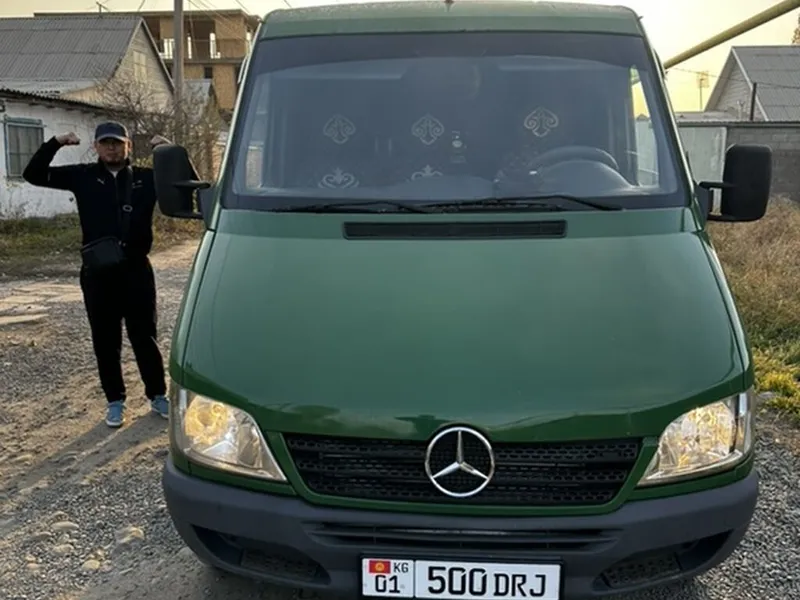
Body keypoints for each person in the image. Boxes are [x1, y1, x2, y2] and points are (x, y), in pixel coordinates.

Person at [22, 122, 171, 428]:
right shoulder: (83, 176)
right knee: (105, 340)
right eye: (105, 143)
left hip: (136, 271)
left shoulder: (147, 178)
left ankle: (158, 395)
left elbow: (186, 184)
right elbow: (33, 174)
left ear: (128, 145)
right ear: (96, 147)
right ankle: (115, 401)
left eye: (117, 143)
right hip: (98, 274)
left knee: (145, 337)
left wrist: (170, 152)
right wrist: (55, 142)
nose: (111, 148)